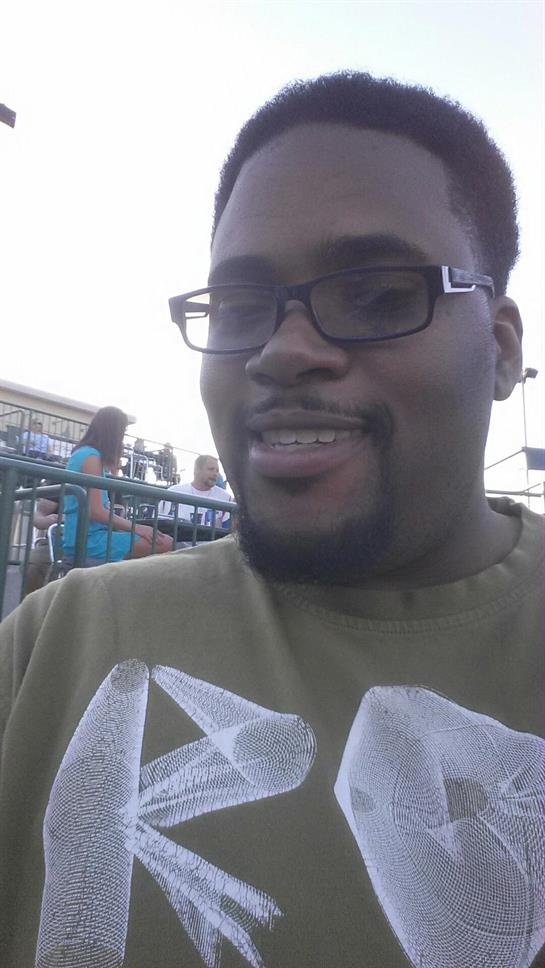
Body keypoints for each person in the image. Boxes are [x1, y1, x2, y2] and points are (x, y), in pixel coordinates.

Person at [0, 73, 543, 968]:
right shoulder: (56, 643)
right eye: (242, 306)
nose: (280, 351)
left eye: (377, 294)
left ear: (500, 346)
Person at [61, 406, 172, 563]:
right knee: (164, 543)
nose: (122, 439)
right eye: (122, 432)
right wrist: (137, 528)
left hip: (88, 536)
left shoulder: (85, 454)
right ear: (112, 432)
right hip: (88, 540)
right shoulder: (91, 457)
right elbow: (96, 511)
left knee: (158, 541)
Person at [165, 454, 233, 526]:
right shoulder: (174, 492)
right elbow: (159, 524)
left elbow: (229, 530)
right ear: (197, 469)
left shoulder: (226, 498)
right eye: (211, 469)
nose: (215, 474)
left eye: (217, 471)